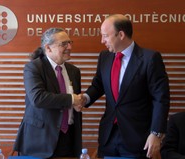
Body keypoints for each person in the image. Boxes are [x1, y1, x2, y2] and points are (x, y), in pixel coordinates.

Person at [82, 14, 170, 159]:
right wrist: (85, 98)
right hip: (109, 136)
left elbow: (161, 99)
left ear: (121, 34)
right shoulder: (104, 57)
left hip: (137, 137)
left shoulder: (150, 59)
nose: (102, 41)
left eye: (105, 36)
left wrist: (156, 133)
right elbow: (98, 85)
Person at [12, 28, 84, 158]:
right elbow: (38, 98)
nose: (70, 47)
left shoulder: (74, 71)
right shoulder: (33, 67)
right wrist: (72, 99)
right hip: (39, 141)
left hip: (68, 139)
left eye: (70, 42)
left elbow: (73, 101)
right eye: (64, 44)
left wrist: (77, 104)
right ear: (48, 48)